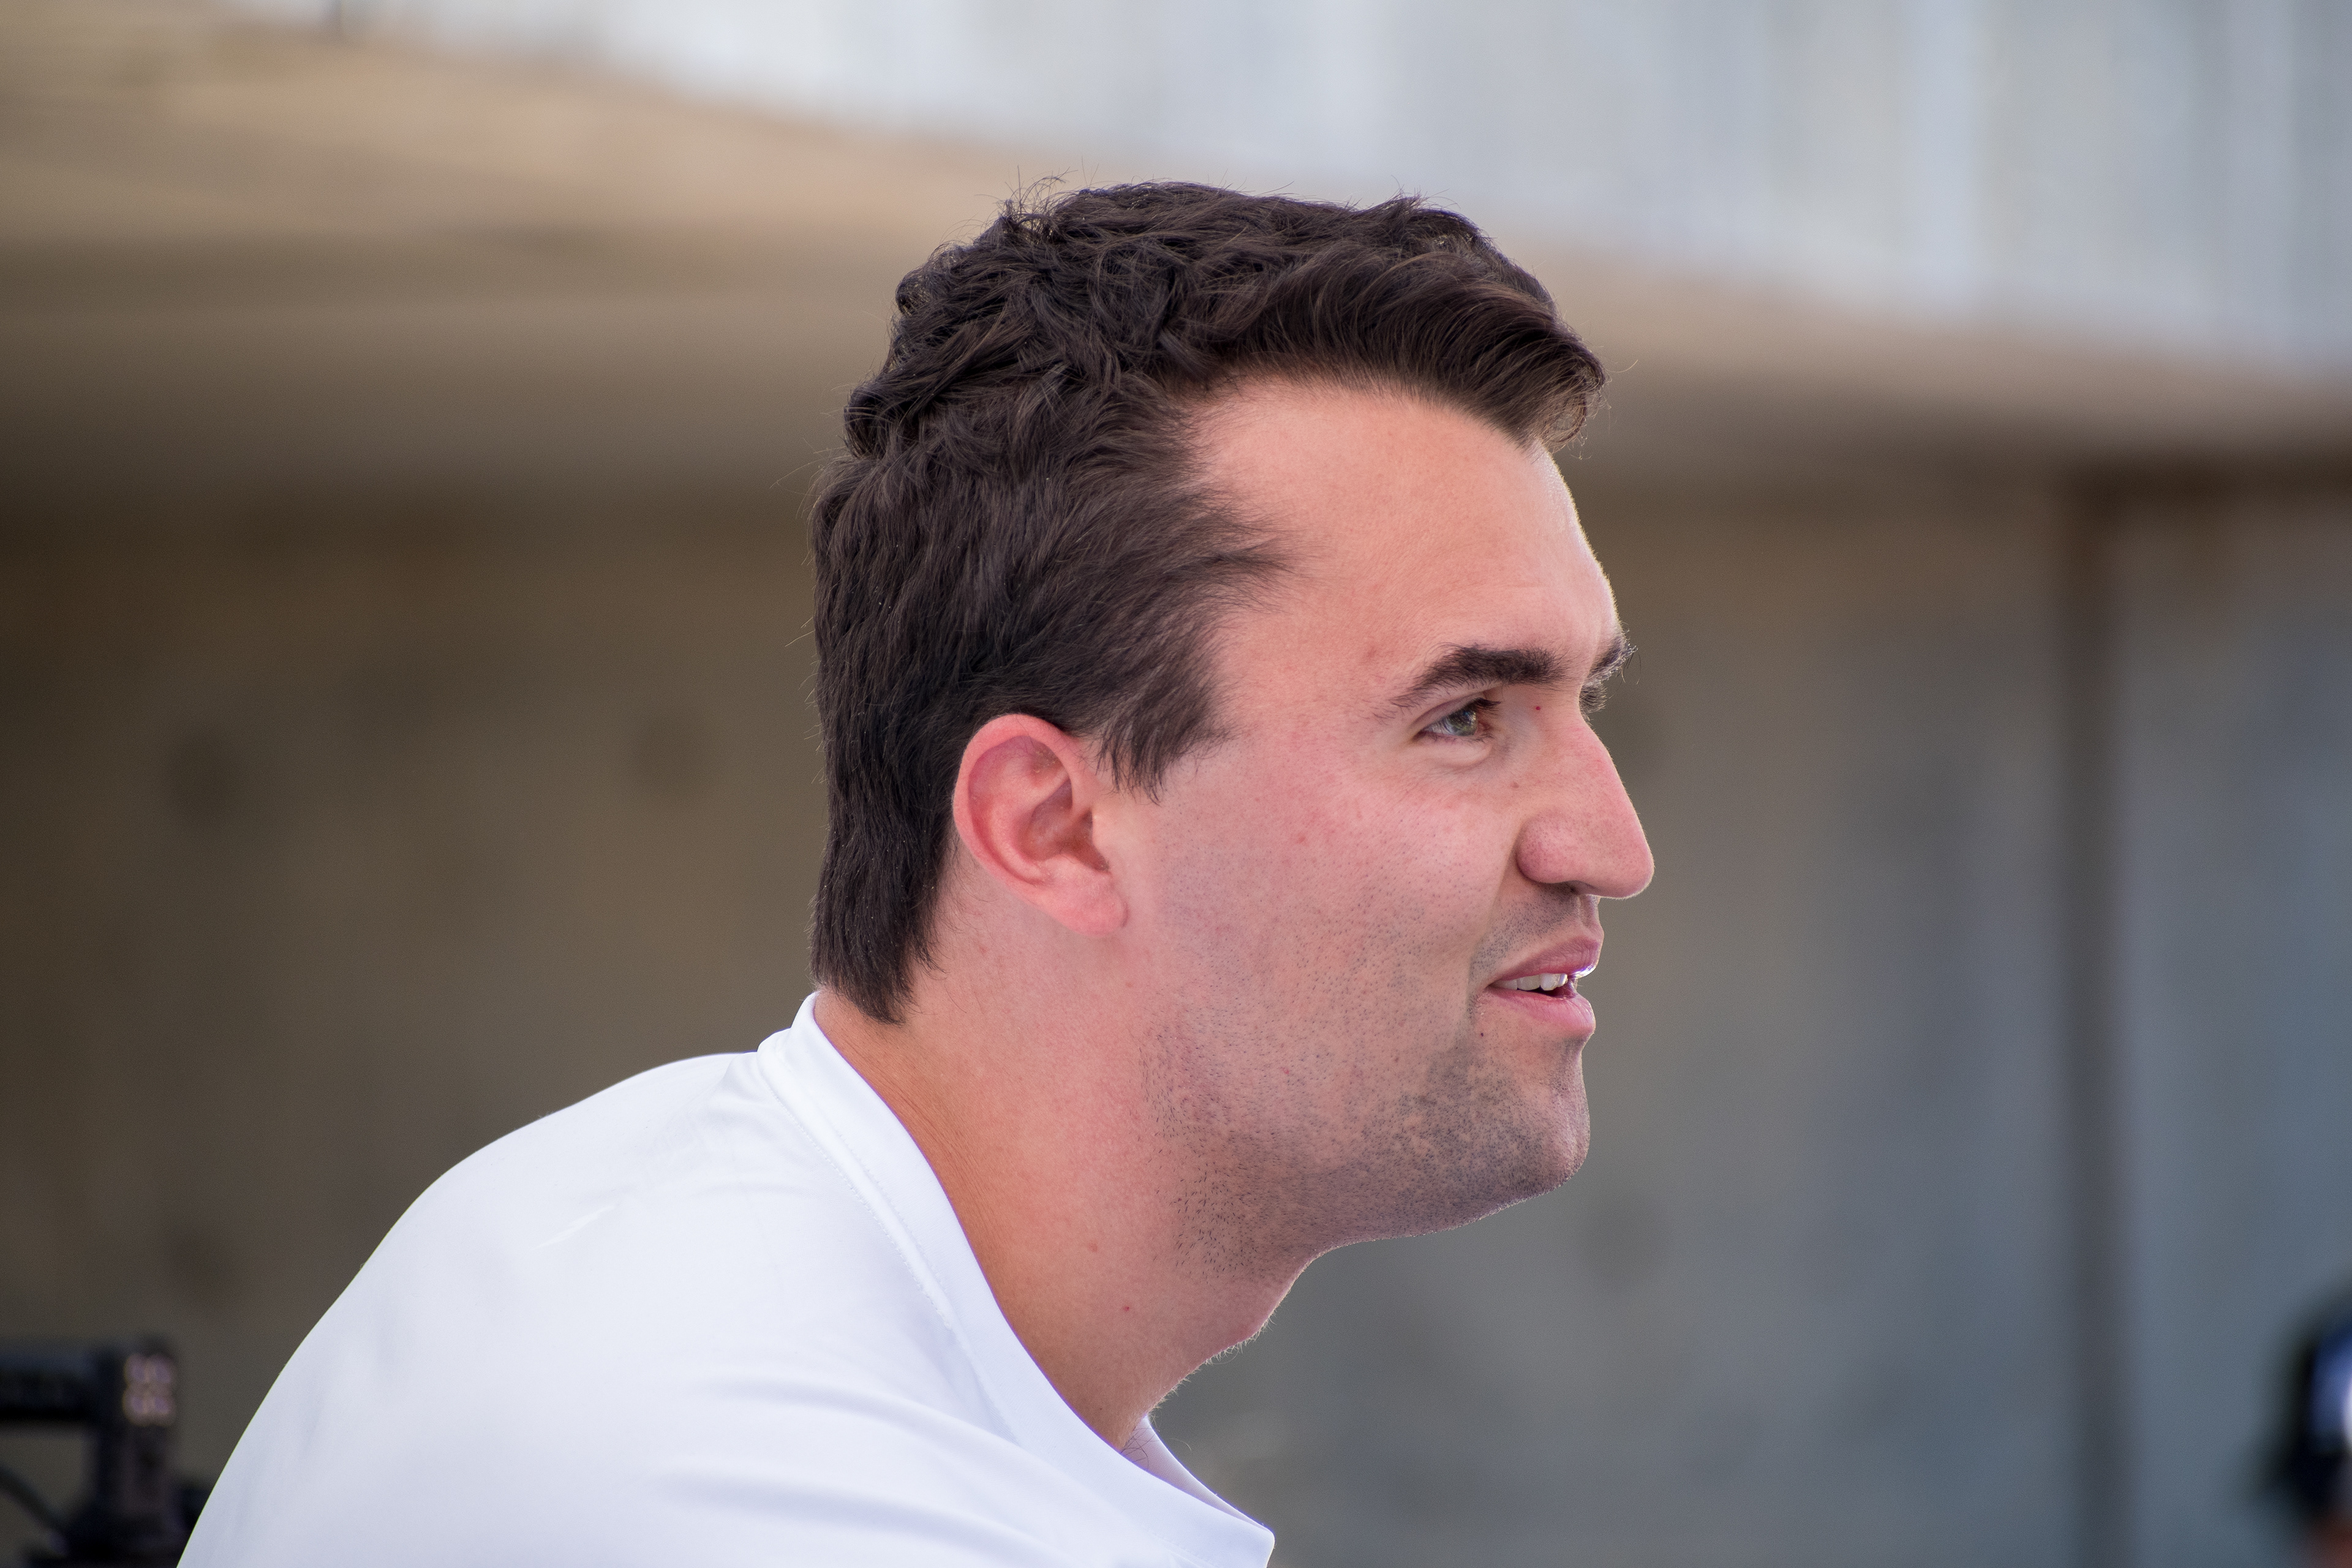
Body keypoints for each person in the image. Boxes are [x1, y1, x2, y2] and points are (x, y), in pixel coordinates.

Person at [183, 182, 1654, 1567]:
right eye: (1464, 717)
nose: (1611, 847)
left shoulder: (620, 1213)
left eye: (1585, 698)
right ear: (1053, 826)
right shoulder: (763, 1488)